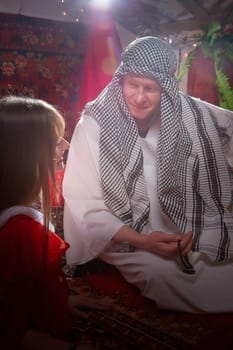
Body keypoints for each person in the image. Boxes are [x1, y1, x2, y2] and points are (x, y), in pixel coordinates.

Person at [63, 36, 233, 313]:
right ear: (121, 80)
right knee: (162, 276)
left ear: (166, 89)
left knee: (222, 265)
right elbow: (85, 205)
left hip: (187, 232)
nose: (139, 97)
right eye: (133, 85)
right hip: (127, 239)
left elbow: (227, 123)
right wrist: (143, 240)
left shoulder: (192, 117)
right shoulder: (93, 126)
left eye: (150, 88)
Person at [0, 96, 112, 350]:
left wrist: (59, 300)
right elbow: (8, 331)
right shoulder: (21, 231)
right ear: (24, 155)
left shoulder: (17, 220)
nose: (65, 144)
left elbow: (20, 293)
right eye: (54, 140)